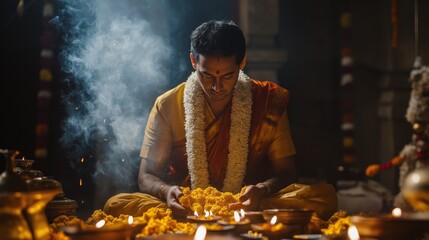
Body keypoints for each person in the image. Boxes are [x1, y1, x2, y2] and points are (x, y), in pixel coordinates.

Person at [104, 20, 337, 220]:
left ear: (242, 63)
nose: (216, 87)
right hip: (188, 207)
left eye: (227, 76)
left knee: (323, 196)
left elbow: (286, 171)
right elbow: (146, 176)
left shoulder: (268, 101)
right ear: (194, 62)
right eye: (206, 75)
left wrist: (263, 190)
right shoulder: (167, 105)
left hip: (247, 206)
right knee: (117, 204)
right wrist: (166, 192)